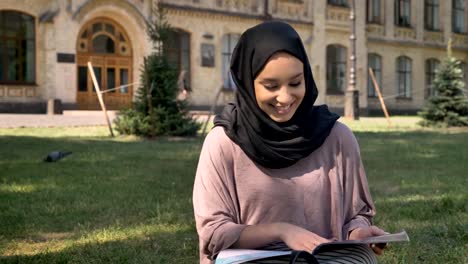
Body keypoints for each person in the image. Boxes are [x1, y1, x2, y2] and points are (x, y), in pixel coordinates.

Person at [193, 21, 387, 264]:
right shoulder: (223, 143)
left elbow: (356, 214)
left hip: (324, 259)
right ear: (247, 82)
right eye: (271, 86)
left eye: (295, 83)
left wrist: (359, 232)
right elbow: (214, 233)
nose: (285, 98)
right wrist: (282, 231)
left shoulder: (338, 138)